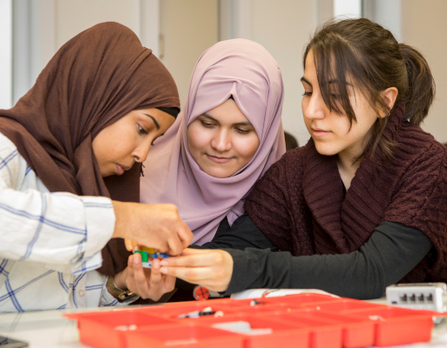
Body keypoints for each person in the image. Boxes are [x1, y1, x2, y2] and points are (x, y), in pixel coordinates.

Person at [158, 18, 447, 300]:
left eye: (333, 94)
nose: (311, 111)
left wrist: (247, 269)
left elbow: (371, 273)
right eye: (308, 91)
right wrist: (157, 263)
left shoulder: (428, 165)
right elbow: (232, 250)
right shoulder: (292, 171)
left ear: (385, 102)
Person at [0, 22, 192, 312]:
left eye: (154, 141)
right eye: (142, 129)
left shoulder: (80, 180)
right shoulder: (6, 146)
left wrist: (121, 284)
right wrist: (123, 218)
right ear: (96, 99)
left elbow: (60, 300)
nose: (142, 155)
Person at [103, 38, 286, 300]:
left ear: (268, 133)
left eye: (242, 130)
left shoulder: (280, 200)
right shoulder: (128, 170)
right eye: (207, 124)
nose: (220, 144)